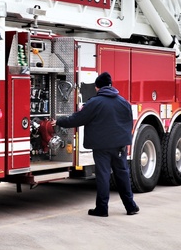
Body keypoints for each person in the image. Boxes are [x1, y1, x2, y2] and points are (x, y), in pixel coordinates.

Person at [54, 72, 140, 217]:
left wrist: (59, 121)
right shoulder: (123, 102)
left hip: (101, 147)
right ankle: (130, 206)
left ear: (97, 87)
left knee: (103, 176)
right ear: (111, 85)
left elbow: (77, 119)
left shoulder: (94, 102)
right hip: (120, 146)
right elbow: (129, 122)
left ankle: (102, 208)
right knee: (123, 174)